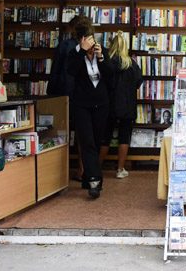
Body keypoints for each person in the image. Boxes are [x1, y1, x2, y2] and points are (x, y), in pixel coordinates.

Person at [67, 22, 113, 199]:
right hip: (82, 104)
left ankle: (88, 177)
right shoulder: (74, 54)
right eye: (88, 41)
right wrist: (81, 52)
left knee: (96, 139)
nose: (91, 45)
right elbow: (71, 71)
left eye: (93, 40)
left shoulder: (102, 53)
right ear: (82, 40)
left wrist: (101, 58)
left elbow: (110, 76)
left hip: (101, 104)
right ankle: (95, 180)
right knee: (87, 142)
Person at [46, 15, 92, 182]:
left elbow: (56, 71)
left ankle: (57, 170)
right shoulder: (91, 47)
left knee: (59, 131)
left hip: (64, 94)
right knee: (83, 134)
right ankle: (83, 169)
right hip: (85, 96)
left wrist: (50, 93)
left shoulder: (65, 46)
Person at [99, 31, 142, 180]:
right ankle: (120, 169)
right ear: (125, 46)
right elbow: (138, 83)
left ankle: (97, 168)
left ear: (111, 46)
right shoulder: (132, 64)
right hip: (127, 106)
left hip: (109, 105)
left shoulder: (106, 63)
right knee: (124, 137)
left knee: (105, 137)